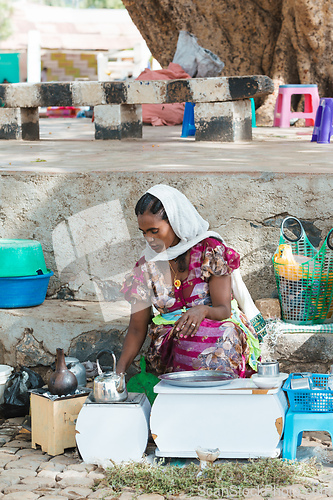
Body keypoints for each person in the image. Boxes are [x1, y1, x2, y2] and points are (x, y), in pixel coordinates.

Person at [117, 184, 263, 377]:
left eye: (154, 230)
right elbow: (136, 328)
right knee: (183, 341)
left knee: (225, 336)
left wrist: (202, 310)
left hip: (219, 326)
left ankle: (223, 400)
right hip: (173, 342)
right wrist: (116, 374)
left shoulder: (209, 251)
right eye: (144, 232)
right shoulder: (146, 267)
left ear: (176, 223)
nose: (149, 239)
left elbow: (223, 309)